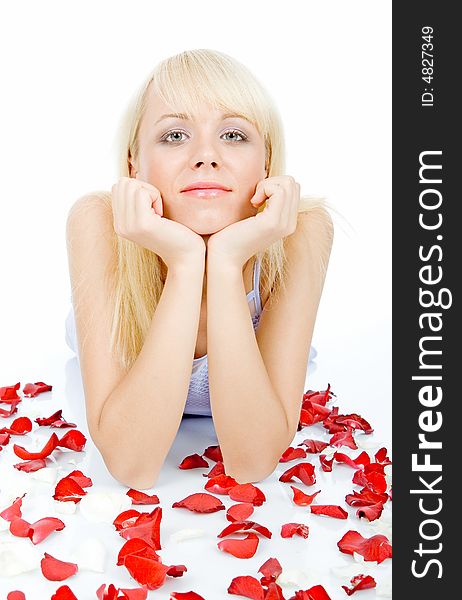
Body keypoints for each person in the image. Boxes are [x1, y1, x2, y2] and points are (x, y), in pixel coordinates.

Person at [65, 49, 334, 490]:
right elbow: (132, 465)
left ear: (267, 163)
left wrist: (226, 262)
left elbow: (251, 463)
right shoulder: (99, 222)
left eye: (233, 134)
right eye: (174, 136)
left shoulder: (303, 230)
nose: (205, 157)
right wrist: (186, 262)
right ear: (134, 163)